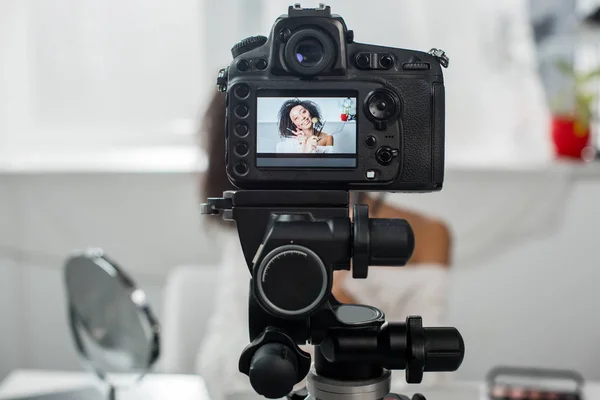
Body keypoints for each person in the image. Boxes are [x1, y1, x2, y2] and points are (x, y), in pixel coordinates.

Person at [196, 89, 453, 400]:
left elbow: (429, 376)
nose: (301, 119)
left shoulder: (427, 233)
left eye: (305, 112)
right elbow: (223, 365)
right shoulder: (251, 227)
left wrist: (337, 303)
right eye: (293, 116)